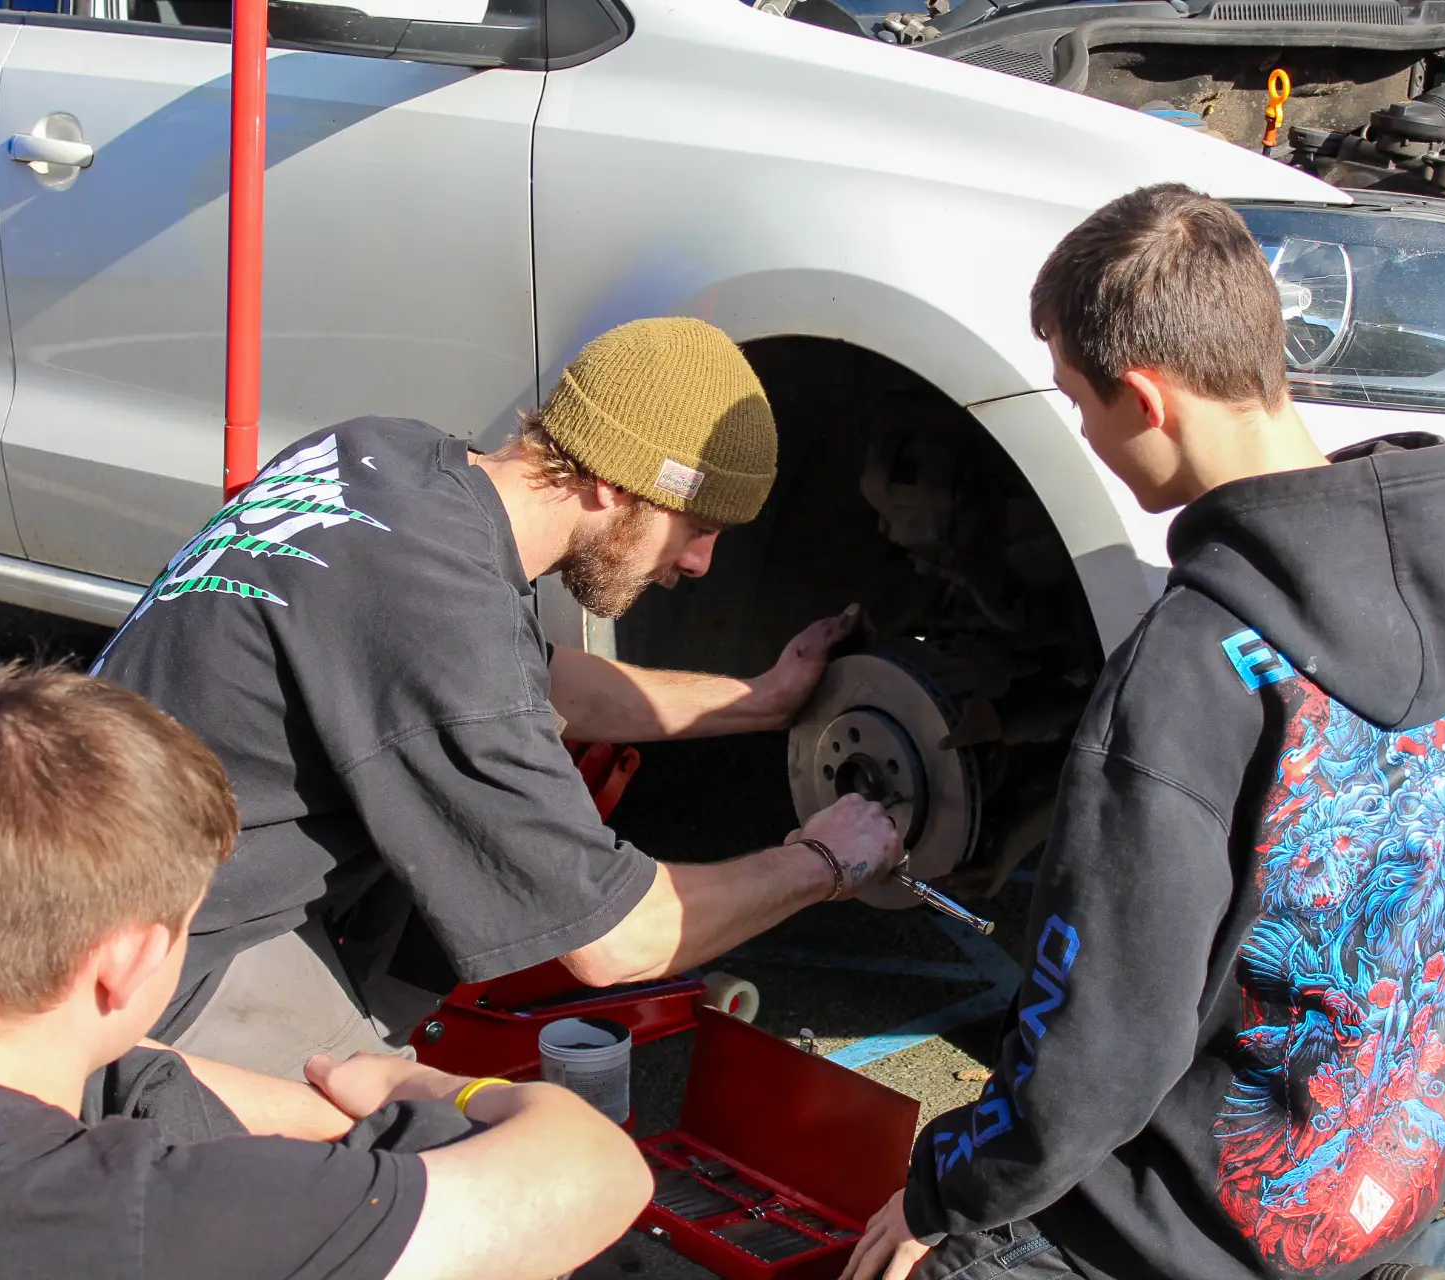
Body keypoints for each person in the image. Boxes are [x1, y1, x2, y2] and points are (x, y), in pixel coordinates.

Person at [843, 186, 1445, 1280]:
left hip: (1190, 1237)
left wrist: (942, 1188)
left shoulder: (1188, 669)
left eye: (1078, 401)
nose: (1084, 435)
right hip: (1386, 1190)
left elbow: (1097, 1052)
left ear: (1144, 398)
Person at [92, 316, 904, 1077]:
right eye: (697, 527)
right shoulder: (443, 622)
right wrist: (824, 862)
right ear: (614, 484)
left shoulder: (386, 455)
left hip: (67, 855)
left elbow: (528, 681)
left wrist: (763, 700)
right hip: (132, 968)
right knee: (419, 1156)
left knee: (447, 882)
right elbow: (619, 940)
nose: (698, 564)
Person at [0, 664, 653, 1280]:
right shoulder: (156, 1221)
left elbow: (118, 1071)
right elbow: (599, 1172)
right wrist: (426, 1086)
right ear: (129, 960)